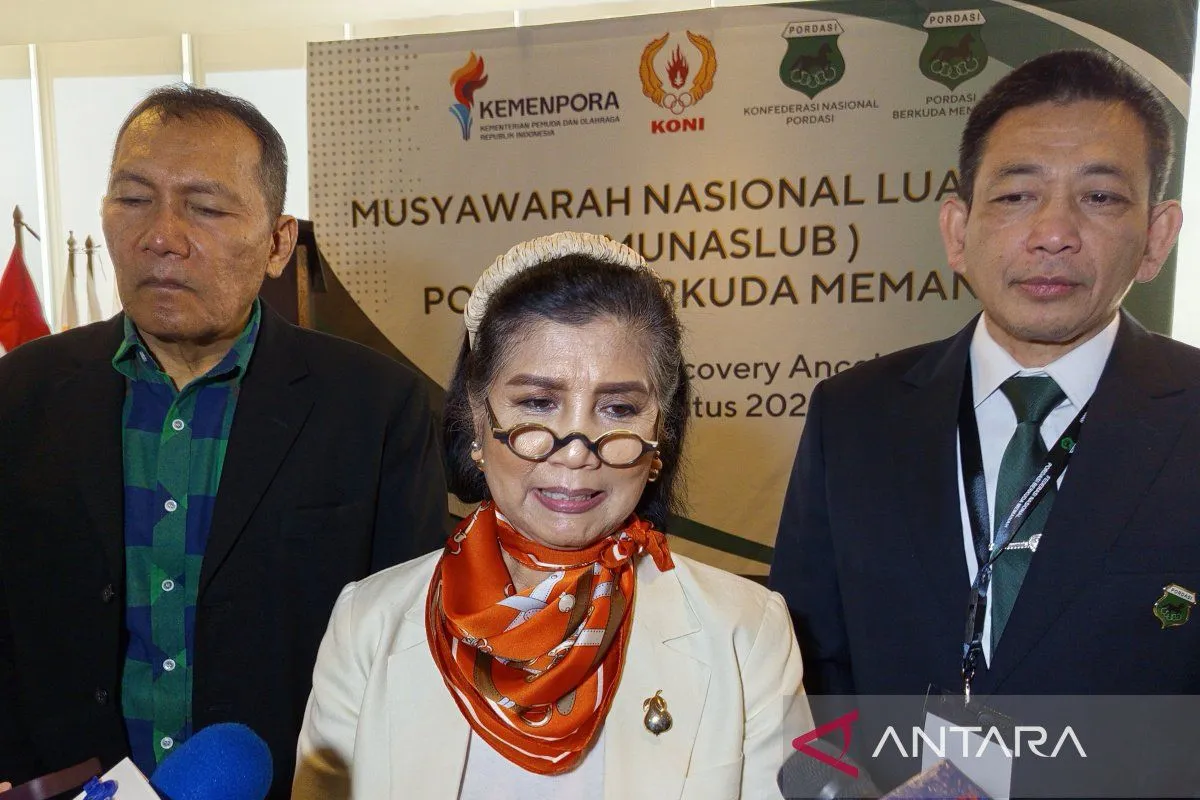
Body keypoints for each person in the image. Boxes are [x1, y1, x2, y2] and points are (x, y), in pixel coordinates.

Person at [0, 85, 448, 798]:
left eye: (205, 208)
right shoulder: (19, 395)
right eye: (134, 198)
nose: (161, 236)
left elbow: (409, 650)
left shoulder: (376, 408)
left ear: (278, 243)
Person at [770, 49, 1195, 787]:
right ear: (957, 230)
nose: (1053, 232)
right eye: (1016, 195)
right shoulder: (854, 417)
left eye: (1099, 197)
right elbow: (805, 669)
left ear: (1157, 236)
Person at [293, 232, 808, 799]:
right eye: (538, 403)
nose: (576, 450)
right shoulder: (367, 624)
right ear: (476, 419)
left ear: (661, 432)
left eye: (619, 408)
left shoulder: (745, 633)